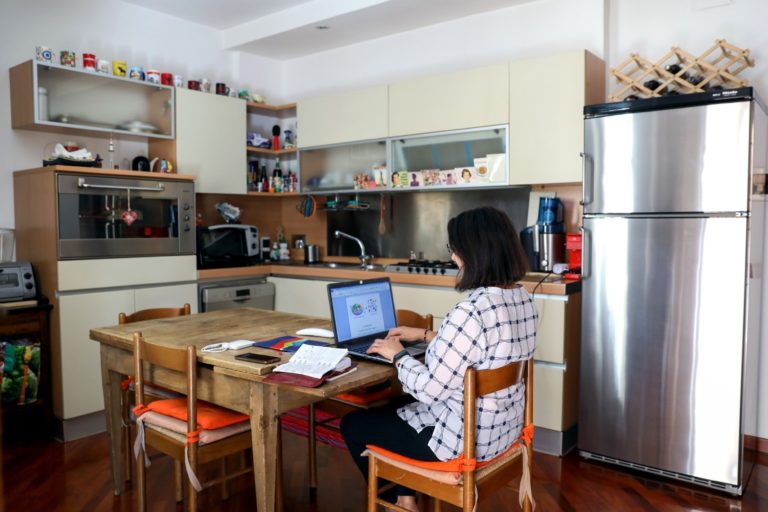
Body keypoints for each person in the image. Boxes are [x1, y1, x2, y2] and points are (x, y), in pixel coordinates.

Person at [340, 206, 537, 512]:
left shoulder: (471, 311)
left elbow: (430, 390)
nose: (452, 257)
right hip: (504, 435)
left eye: (454, 248)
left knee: (354, 423)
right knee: (397, 409)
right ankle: (406, 495)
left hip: (462, 447)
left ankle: (398, 504)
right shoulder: (524, 300)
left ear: (473, 252)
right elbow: (481, 351)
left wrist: (398, 355)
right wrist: (424, 334)